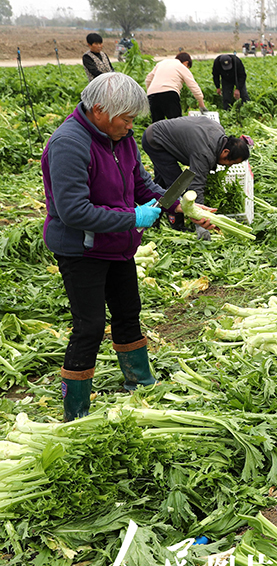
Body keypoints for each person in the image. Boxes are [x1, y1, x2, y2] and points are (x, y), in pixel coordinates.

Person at [41, 73, 205, 421]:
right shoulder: (69, 144)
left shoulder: (122, 139)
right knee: (89, 326)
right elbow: (73, 211)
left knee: (128, 313)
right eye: (126, 119)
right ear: (99, 110)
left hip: (118, 246)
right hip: (81, 250)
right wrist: (132, 218)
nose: (131, 127)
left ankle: (141, 383)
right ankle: (76, 412)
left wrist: (179, 205)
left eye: (133, 120)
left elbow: (142, 184)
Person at [140, 116, 250, 237]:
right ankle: (177, 226)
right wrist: (201, 225)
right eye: (231, 162)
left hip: (159, 134)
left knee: (162, 183)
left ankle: (151, 221)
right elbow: (196, 185)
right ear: (226, 152)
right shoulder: (204, 152)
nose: (228, 166)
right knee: (177, 186)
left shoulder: (219, 133)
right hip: (156, 141)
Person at [144, 53, 207, 122]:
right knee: (176, 124)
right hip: (169, 94)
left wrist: (151, 91)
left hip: (152, 95)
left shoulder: (161, 63)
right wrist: (201, 104)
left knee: (157, 126)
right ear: (186, 63)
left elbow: (148, 79)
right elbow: (193, 86)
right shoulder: (181, 66)